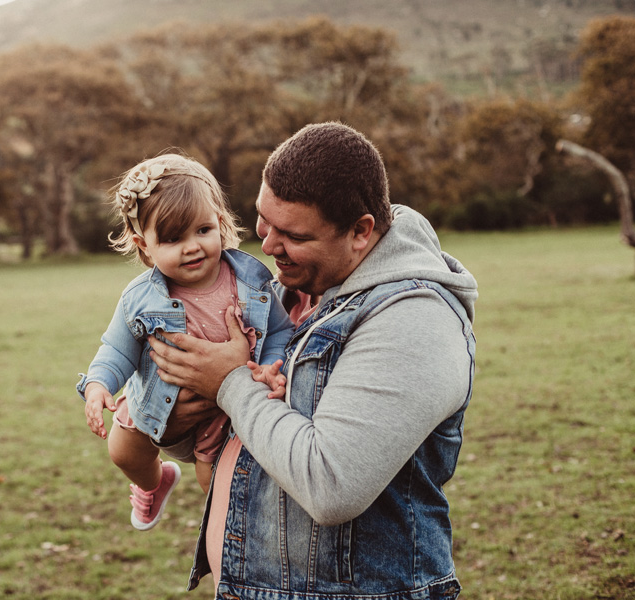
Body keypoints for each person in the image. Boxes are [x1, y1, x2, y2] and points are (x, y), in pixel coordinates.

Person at [147, 123, 478, 598]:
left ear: (361, 231)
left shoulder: (415, 317)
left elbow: (332, 486)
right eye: (264, 220)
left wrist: (229, 383)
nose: (266, 245)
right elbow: (235, 438)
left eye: (293, 234)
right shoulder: (286, 290)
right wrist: (175, 413)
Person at [76, 153, 294, 531]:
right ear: (144, 245)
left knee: (216, 481)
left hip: (222, 410)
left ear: (221, 223)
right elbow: (116, 349)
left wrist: (271, 366)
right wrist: (98, 385)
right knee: (122, 452)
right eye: (173, 238)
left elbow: (279, 329)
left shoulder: (252, 283)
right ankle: (154, 483)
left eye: (202, 231)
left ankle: (237, 535)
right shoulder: (140, 299)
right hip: (153, 404)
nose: (192, 247)